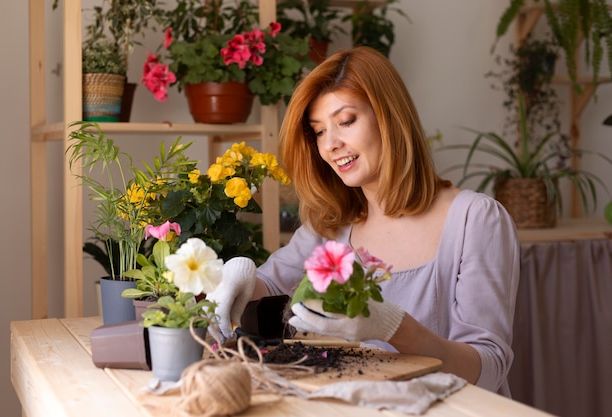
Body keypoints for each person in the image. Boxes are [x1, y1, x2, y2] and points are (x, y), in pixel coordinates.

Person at [207, 46, 520, 397]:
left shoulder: (475, 220)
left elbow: (488, 368)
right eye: (319, 131)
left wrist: (393, 327)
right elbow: (270, 280)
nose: (331, 145)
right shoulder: (333, 223)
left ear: (388, 116)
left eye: (346, 121)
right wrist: (240, 278)